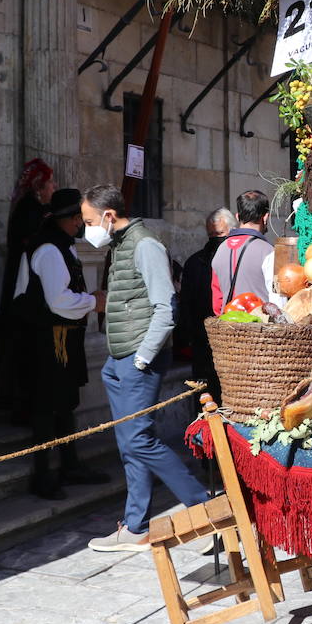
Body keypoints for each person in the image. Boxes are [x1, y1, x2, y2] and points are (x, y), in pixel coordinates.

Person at [81, 184, 210, 551]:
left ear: (108, 216)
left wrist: (142, 357)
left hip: (139, 360)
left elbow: (166, 307)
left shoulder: (144, 245)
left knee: (139, 439)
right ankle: (135, 526)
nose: (86, 229)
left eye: (89, 221)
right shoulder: (121, 244)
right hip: (119, 360)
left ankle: (204, 509)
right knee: (129, 443)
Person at [10, 189, 110, 499]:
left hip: (62, 338)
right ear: (69, 219)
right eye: (79, 217)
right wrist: (92, 302)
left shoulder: (62, 246)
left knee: (65, 403)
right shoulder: (50, 250)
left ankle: (70, 465)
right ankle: (43, 476)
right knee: (45, 407)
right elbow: (57, 300)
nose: (81, 222)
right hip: (48, 339)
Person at [0, 158, 56, 415]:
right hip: (25, 290)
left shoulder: (36, 210)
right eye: (50, 183)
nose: (54, 187)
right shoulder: (29, 211)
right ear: (39, 187)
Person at [179, 208, 234, 398]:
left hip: (232, 343)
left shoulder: (236, 259)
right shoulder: (194, 263)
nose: (215, 239)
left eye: (220, 234)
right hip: (202, 345)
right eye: (211, 234)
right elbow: (185, 304)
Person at [211, 191, 273, 314]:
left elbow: (217, 303)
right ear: (266, 217)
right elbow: (277, 300)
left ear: (237, 216)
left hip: (228, 328)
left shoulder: (220, 249)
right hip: (260, 329)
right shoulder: (268, 251)